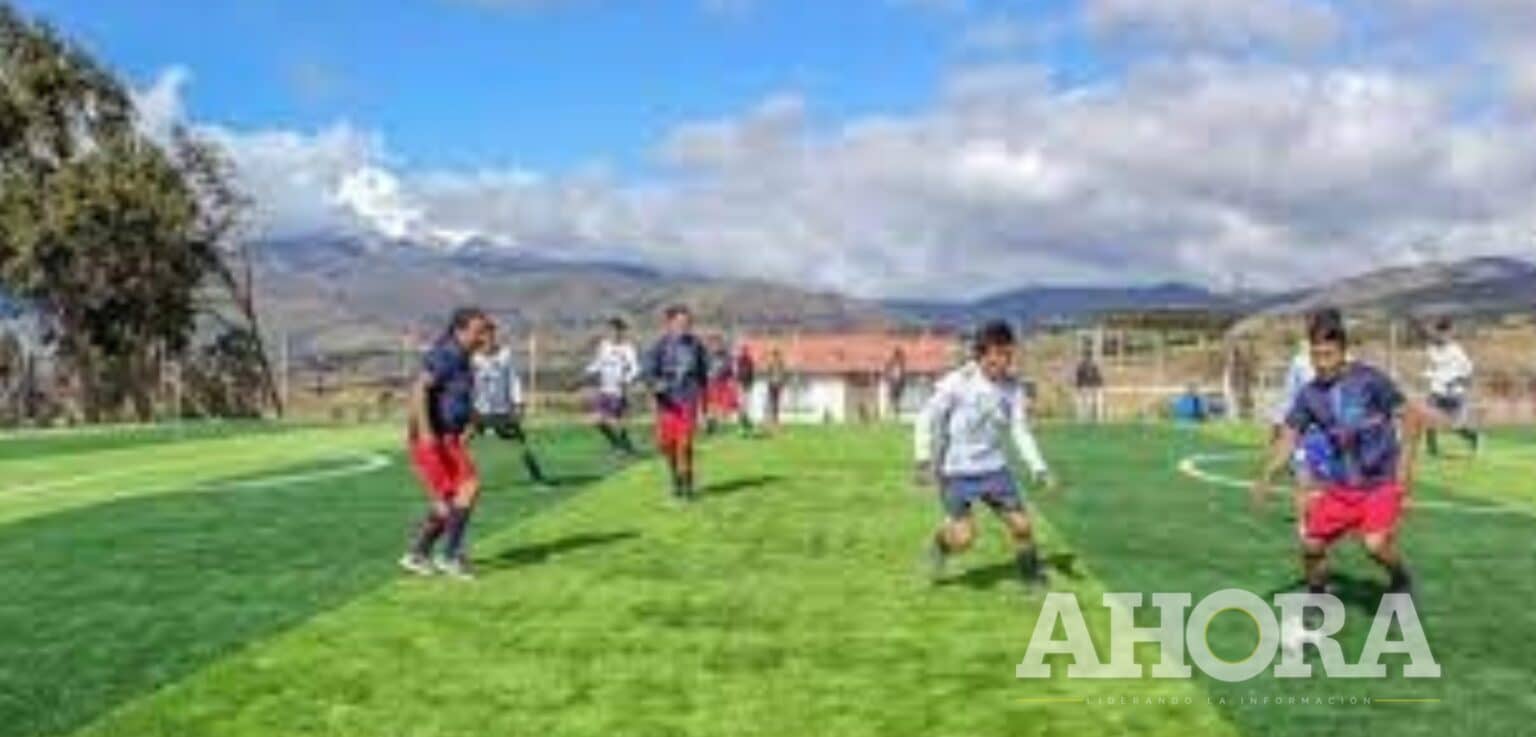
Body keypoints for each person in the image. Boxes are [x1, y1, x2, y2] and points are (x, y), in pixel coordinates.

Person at [1253, 308, 1442, 602]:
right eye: (1316, 355)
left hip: (1379, 482)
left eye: (1328, 354)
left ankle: (1401, 578)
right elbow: (1291, 434)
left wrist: (1404, 470)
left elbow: (1412, 418)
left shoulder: (1370, 381)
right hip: (1341, 487)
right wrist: (1268, 474)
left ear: (1343, 352)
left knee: (1376, 545)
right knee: (1311, 546)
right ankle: (1317, 595)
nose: (1321, 363)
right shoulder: (1310, 394)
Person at [915, 320, 1056, 586]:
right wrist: (922, 459)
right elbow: (926, 418)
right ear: (981, 354)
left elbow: (1020, 429)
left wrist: (1039, 468)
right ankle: (940, 545)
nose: (1002, 362)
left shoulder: (1013, 387)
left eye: (1007, 355)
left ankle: (1031, 576)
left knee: (1022, 526)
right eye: (996, 355)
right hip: (956, 471)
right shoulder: (957, 382)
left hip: (994, 469)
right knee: (964, 538)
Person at [401, 307, 494, 579]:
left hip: (449, 439)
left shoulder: (464, 358)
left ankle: (420, 554)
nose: (483, 336)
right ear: (460, 331)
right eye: (479, 331)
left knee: (462, 493)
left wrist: (470, 423)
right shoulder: (447, 355)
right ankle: (446, 556)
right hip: (431, 439)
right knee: (450, 501)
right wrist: (427, 433)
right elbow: (420, 388)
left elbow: (456, 399)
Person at [642, 305, 710, 501]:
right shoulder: (659, 346)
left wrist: (705, 410)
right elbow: (647, 372)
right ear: (670, 323)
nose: (685, 326)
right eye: (681, 322)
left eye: (688, 323)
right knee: (667, 446)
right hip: (667, 403)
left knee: (685, 444)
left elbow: (703, 377)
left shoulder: (696, 345)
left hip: (688, 400)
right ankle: (674, 478)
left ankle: (688, 483)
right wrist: (656, 385)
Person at [472, 329, 547, 484]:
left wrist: (518, 403)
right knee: (462, 442)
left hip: (502, 411)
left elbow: (513, 380)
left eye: (491, 336)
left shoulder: (505, 355)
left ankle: (537, 476)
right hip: (478, 411)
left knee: (520, 443)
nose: (488, 340)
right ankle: (458, 481)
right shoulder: (471, 358)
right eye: (484, 336)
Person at [1424, 318, 1481, 457]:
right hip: (1436, 391)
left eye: (1444, 333)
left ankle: (1473, 437)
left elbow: (1468, 370)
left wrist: (1458, 381)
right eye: (1438, 332)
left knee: (1456, 427)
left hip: (1454, 393)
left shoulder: (1456, 351)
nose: (1440, 335)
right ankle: (1432, 450)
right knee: (1428, 419)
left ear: (1449, 333)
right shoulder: (1430, 349)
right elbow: (1432, 367)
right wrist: (1429, 374)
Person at [585, 317, 640, 456]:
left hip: (618, 391)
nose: (613, 334)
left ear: (621, 332)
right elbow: (599, 363)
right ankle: (618, 443)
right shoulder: (604, 346)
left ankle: (622, 446)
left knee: (616, 421)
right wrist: (588, 371)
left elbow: (635, 368)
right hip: (604, 389)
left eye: (616, 331)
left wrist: (626, 379)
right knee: (597, 420)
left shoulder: (627, 348)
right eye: (610, 331)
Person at [704, 335, 739, 435]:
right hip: (711, 383)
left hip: (722, 383)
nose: (716, 346)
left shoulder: (727, 356)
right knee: (711, 406)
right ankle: (711, 424)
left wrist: (731, 381)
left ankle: (718, 425)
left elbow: (730, 370)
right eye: (714, 344)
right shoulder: (707, 356)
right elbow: (704, 369)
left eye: (718, 344)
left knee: (722, 406)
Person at [1073, 352, 1105, 423]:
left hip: (1089, 386)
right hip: (1089, 386)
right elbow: (1097, 377)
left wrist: (1079, 386)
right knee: (1089, 403)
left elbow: (1079, 378)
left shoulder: (1085, 366)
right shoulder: (1091, 366)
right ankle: (1091, 418)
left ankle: (1087, 418)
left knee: (1088, 403)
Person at [734, 342, 757, 435]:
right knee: (741, 405)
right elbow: (736, 373)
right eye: (742, 350)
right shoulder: (738, 360)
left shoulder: (750, 360)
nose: (744, 351)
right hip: (740, 385)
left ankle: (745, 422)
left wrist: (751, 384)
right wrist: (737, 383)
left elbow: (752, 373)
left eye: (745, 349)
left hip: (747, 385)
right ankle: (741, 424)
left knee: (746, 405)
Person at [765, 348, 789, 430]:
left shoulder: (781, 364)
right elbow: (768, 373)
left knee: (776, 403)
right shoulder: (770, 363)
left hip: (778, 384)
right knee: (770, 402)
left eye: (776, 354)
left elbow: (783, 374)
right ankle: (769, 419)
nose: (775, 356)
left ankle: (775, 420)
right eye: (774, 355)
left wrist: (782, 383)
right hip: (772, 384)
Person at [885, 347, 909, 420]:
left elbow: (903, 375)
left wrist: (902, 384)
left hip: (897, 384)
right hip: (893, 384)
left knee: (897, 401)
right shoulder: (892, 362)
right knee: (892, 400)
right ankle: (889, 415)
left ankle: (895, 416)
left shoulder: (901, 363)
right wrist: (888, 381)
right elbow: (887, 372)